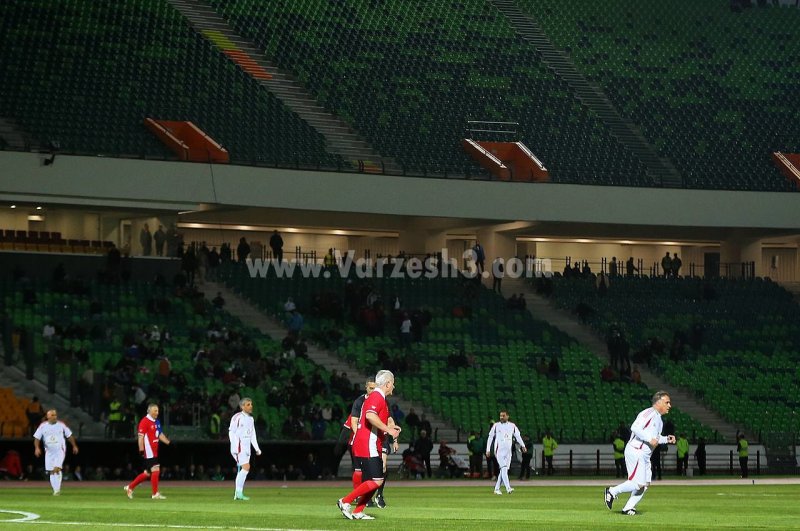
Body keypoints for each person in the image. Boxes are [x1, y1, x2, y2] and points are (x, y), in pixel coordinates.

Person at [337, 370, 401, 520]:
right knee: (377, 480)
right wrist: (388, 430)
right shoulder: (377, 397)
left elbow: (383, 418)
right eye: (393, 383)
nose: (394, 387)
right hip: (368, 443)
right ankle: (345, 501)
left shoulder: (379, 398)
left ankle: (358, 511)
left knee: (372, 480)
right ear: (388, 383)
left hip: (371, 443)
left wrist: (391, 427)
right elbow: (370, 416)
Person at [605, 391, 676, 516]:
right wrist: (649, 439)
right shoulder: (648, 413)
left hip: (645, 455)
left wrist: (666, 439)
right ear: (658, 402)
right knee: (637, 483)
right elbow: (635, 427)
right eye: (667, 402)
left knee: (644, 485)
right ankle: (612, 491)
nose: (669, 405)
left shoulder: (659, 419)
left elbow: (655, 438)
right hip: (636, 451)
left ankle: (628, 508)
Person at [124, 403, 172, 500]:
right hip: (148, 451)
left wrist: (168, 442)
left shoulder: (157, 422)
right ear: (149, 411)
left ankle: (130, 487)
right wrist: (141, 450)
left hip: (154, 451)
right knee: (156, 469)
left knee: (147, 473)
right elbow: (140, 437)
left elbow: (160, 434)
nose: (157, 413)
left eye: (158, 411)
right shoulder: (144, 421)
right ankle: (155, 494)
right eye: (155, 411)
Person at [33, 409, 79, 495]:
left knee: (57, 468)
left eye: (55, 415)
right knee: (51, 471)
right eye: (52, 415)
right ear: (48, 417)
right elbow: (37, 438)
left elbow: (69, 436)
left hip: (59, 450)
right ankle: (55, 490)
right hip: (49, 451)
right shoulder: (43, 426)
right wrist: (37, 448)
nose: (55, 417)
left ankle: (57, 490)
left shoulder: (61, 425)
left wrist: (74, 446)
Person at [485, 410, 526, 495]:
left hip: (508, 451)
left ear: (507, 416)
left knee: (504, 470)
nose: (501, 417)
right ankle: (508, 488)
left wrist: (523, 445)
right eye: (500, 416)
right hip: (499, 450)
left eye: (503, 416)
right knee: (503, 468)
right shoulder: (496, 425)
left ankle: (496, 489)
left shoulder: (512, 426)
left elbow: (517, 436)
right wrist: (488, 449)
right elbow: (490, 437)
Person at [229, 397, 262, 500]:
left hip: (247, 448)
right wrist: (234, 446)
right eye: (248, 405)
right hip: (238, 447)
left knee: (244, 469)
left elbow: (252, 435)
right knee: (246, 467)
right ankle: (238, 492)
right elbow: (231, 431)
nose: (250, 406)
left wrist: (256, 448)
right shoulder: (237, 417)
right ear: (242, 406)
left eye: (251, 404)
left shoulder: (251, 419)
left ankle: (238, 493)